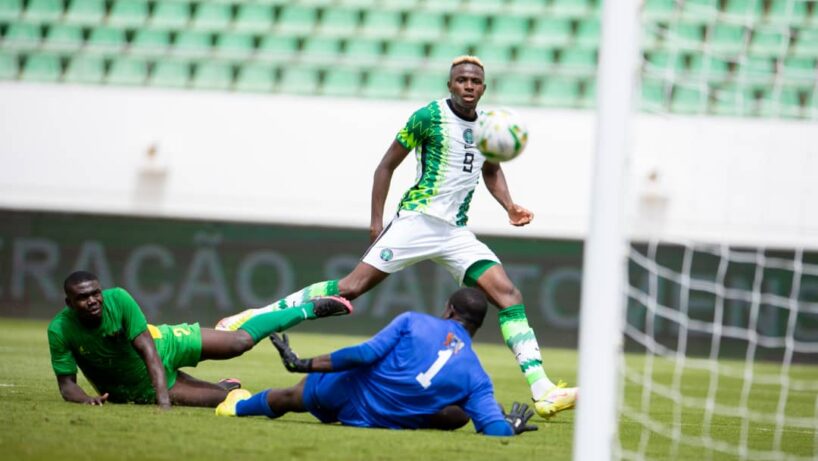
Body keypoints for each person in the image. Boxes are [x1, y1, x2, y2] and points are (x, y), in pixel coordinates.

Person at [216, 55, 577, 419]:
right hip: (417, 221)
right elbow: (385, 166)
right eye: (462, 80)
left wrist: (510, 206)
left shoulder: (487, 125)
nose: (469, 86)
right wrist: (377, 223)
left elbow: (491, 169)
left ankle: (542, 389)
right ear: (450, 84)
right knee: (350, 289)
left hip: (455, 231)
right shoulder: (428, 118)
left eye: (475, 81)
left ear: (484, 87)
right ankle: (256, 316)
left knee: (509, 295)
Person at [215, 288, 538, 437]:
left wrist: (305, 364)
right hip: (386, 419)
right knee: (460, 413)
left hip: (344, 393)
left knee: (291, 397)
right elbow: (495, 430)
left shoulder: (413, 321)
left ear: (450, 311)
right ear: (477, 327)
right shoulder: (477, 376)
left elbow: (364, 354)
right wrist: (509, 426)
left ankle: (236, 407)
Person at [47, 270, 352, 409]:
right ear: (68, 303)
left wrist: (163, 403)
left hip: (164, 344)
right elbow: (67, 385)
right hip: (137, 387)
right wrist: (86, 399)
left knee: (239, 343)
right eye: (83, 297)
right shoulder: (60, 330)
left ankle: (308, 308)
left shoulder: (119, 300)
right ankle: (225, 385)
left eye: (95, 293)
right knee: (227, 401)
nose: (92, 301)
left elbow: (149, 351)